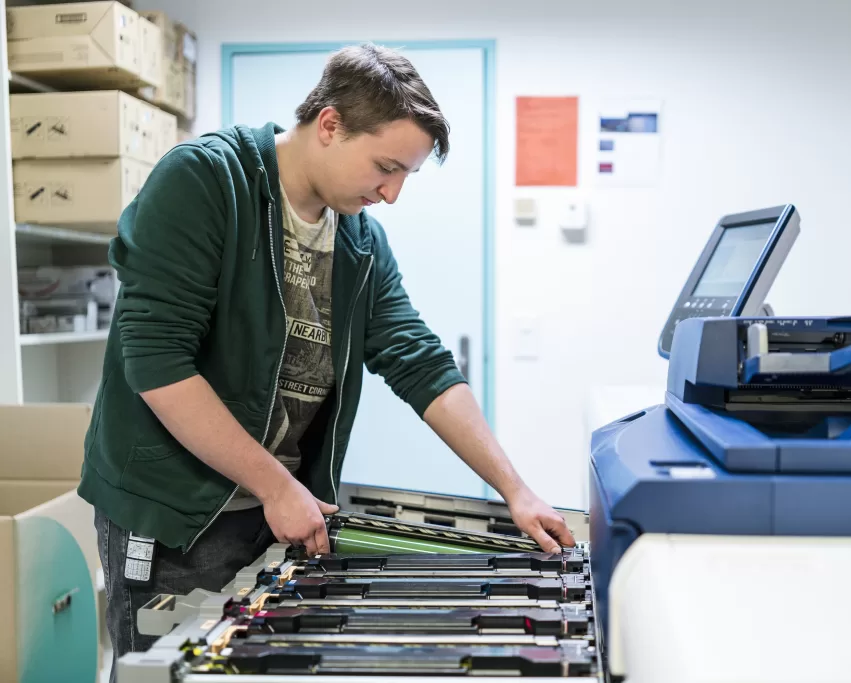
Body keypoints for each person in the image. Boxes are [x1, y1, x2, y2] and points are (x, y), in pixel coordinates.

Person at [78, 43, 575, 672]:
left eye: (405, 176)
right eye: (385, 167)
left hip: (278, 511)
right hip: (178, 513)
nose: (391, 193)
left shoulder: (359, 239)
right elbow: (157, 363)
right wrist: (276, 485)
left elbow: (419, 363)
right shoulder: (206, 181)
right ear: (331, 124)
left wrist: (516, 492)